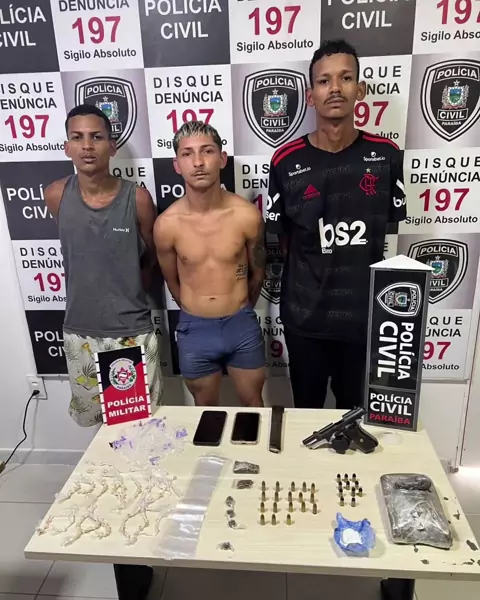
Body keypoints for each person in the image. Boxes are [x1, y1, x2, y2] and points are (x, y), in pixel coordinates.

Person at [266, 39, 407, 410]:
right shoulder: (285, 161)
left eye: (345, 78)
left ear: (360, 90)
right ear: (311, 96)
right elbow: (285, 241)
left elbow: (386, 232)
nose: (335, 88)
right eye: (324, 80)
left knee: (355, 419)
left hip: (362, 320)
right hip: (305, 320)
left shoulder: (386, 156)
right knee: (306, 417)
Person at [44, 104, 163, 427]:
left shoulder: (138, 199)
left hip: (129, 331)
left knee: (139, 427)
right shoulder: (55, 195)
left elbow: (151, 256)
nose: (87, 145)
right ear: (66, 147)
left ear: (112, 146)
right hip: (79, 329)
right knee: (94, 425)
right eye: (77, 137)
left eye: (96, 137)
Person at [154, 121, 266, 406]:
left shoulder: (246, 215)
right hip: (195, 329)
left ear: (222, 158)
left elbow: (258, 272)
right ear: (177, 165)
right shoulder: (167, 225)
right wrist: (197, 311)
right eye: (187, 154)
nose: (198, 162)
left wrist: (239, 308)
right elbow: (172, 281)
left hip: (241, 324)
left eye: (207, 151)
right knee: (205, 414)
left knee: (255, 408)